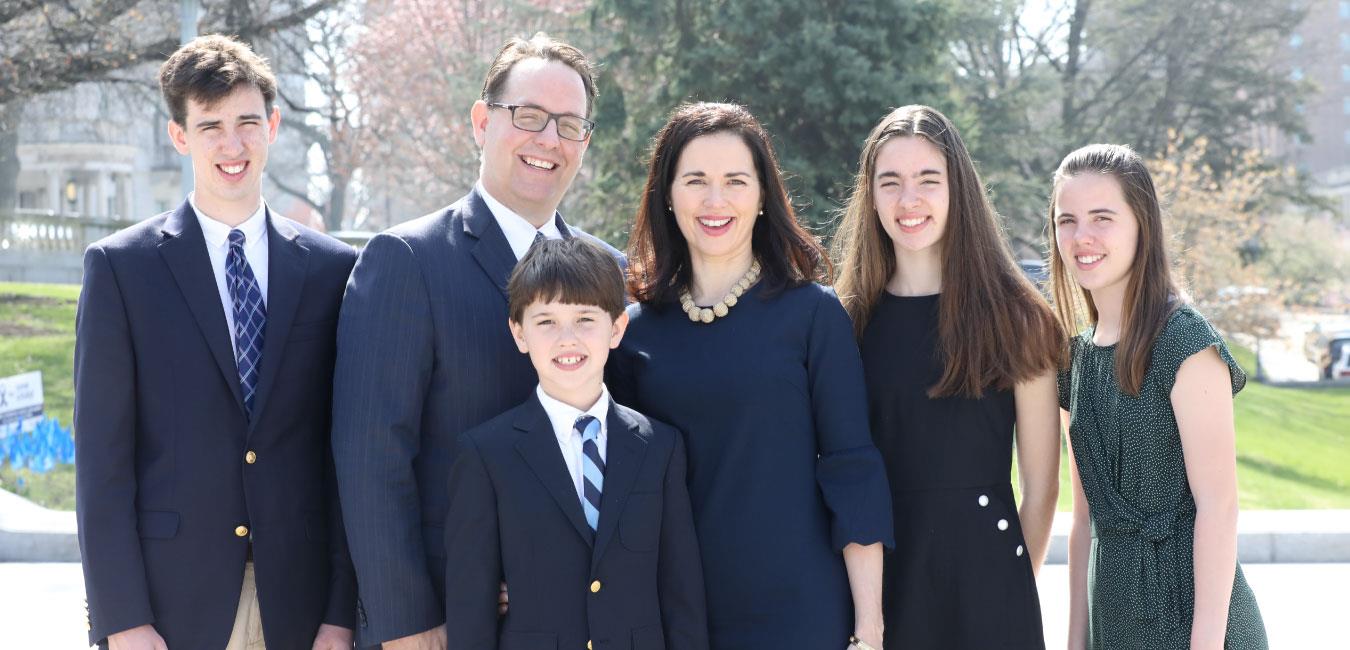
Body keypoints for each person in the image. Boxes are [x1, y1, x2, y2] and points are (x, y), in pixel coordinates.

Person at [332, 33, 622, 649]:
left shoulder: (612, 273)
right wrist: (407, 622)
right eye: (530, 116)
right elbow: (370, 458)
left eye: (570, 125)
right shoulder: (407, 260)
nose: (550, 139)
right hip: (448, 620)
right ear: (481, 120)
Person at [74, 34, 355, 650]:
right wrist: (122, 618)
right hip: (171, 607)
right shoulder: (123, 270)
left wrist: (342, 613)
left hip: (301, 606)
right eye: (211, 126)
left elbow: (345, 456)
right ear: (180, 136)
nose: (233, 145)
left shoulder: (335, 270)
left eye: (248, 122)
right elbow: (103, 464)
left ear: (273, 126)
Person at [609, 102, 893, 650]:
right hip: (672, 615)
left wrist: (870, 629)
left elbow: (852, 469)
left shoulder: (813, 316)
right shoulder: (633, 331)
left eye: (735, 181)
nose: (716, 201)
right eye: (696, 181)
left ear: (763, 195)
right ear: (667, 194)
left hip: (798, 613)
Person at [831, 105, 1062, 649]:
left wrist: (1006, 585)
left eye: (927, 180)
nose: (909, 201)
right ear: (870, 197)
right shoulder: (843, 321)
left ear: (958, 187)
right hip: (877, 588)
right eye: (890, 182)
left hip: (990, 582)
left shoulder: (1017, 317)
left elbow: (1043, 486)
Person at [1049, 144, 1269, 649]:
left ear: (1141, 224)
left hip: (1195, 623)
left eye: (1102, 217)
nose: (1082, 237)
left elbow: (1220, 507)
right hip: (1114, 620)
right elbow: (1085, 518)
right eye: (1067, 220)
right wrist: (1076, 641)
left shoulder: (1185, 343)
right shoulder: (1076, 357)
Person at [443, 238, 708, 650]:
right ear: (519, 333)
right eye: (546, 322)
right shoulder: (485, 455)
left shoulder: (660, 447)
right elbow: (470, 609)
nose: (567, 339)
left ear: (617, 328)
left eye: (585, 319)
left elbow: (681, 592)